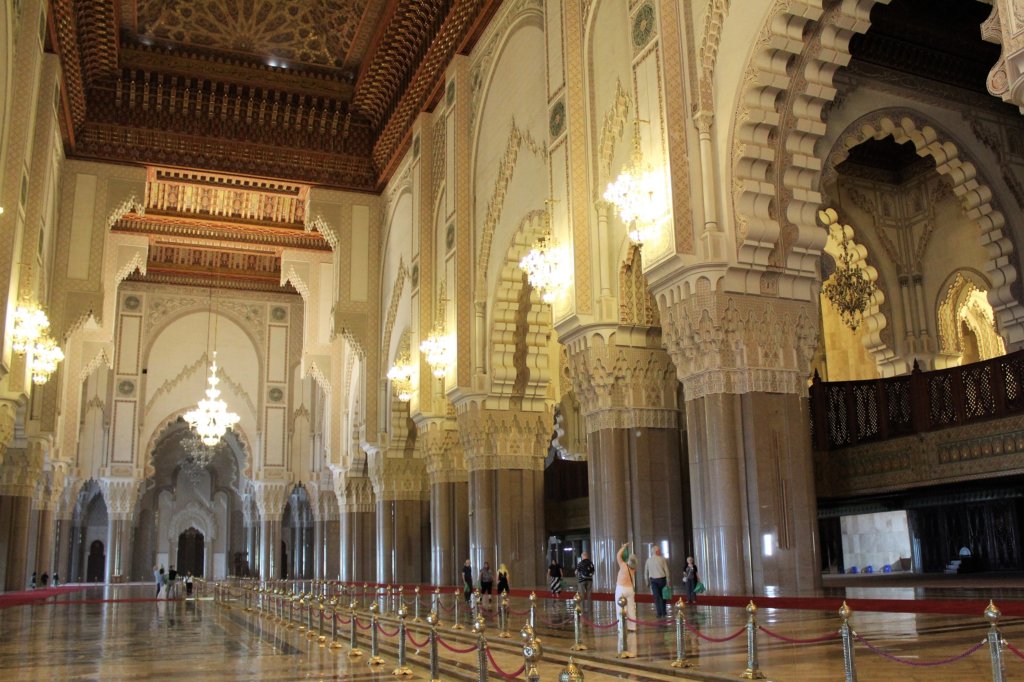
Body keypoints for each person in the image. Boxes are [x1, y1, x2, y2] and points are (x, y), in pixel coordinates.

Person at [615, 543, 637, 631]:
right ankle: (632, 627)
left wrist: (624, 547)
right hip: (630, 589)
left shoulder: (623, 565)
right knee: (631, 608)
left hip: (621, 589)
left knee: (620, 607)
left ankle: (621, 626)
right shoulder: (634, 569)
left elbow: (618, 555)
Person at [645, 546, 670, 618]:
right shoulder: (662, 559)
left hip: (653, 581)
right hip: (662, 579)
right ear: (656, 551)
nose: (660, 551)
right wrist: (668, 580)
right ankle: (663, 612)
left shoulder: (648, 560)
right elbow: (666, 570)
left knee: (656, 597)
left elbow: (646, 572)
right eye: (659, 550)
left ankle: (659, 613)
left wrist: (646, 581)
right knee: (663, 596)